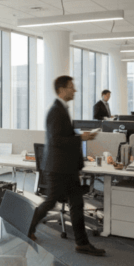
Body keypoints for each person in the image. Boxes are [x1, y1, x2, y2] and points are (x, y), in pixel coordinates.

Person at [27, 75, 106, 256]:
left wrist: (80, 136)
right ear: (62, 89)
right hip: (58, 168)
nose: (74, 90)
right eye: (71, 87)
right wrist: (82, 138)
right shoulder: (55, 111)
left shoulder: (61, 109)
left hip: (66, 167)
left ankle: (82, 243)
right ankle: (26, 227)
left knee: (76, 204)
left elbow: (62, 136)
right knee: (51, 201)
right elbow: (57, 140)